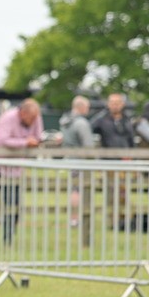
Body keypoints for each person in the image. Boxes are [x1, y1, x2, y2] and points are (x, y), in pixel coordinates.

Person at [0, 98, 43, 244]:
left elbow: (38, 136)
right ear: (22, 113)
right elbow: (2, 140)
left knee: (13, 205)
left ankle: (7, 239)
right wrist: (25, 142)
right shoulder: (7, 118)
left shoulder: (36, 118)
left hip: (15, 169)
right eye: (30, 118)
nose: (33, 121)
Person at [59, 95, 96, 227]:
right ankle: (76, 219)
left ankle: (73, 218)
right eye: (87, 107)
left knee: (73, 190)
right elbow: (88, 145)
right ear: (81, 107)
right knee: (78, 190)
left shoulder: (65, 121)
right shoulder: (81, 123)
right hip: (80, 162)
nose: (88, 109)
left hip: (69, 160)